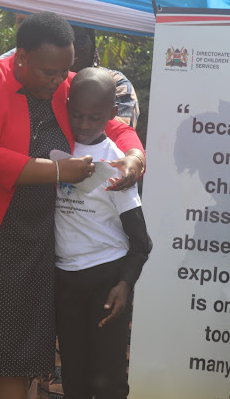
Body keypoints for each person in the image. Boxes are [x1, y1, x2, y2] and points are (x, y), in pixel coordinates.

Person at [0, 12, 146, 399]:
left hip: (33, 241)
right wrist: (57, 171)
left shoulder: (60, 79)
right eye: (50, 73)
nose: (59, 82)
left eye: (64, 72)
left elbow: (113, 123)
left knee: (16, 358)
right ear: (21, 57)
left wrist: (135, 155)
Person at [53, 68, 152, 399]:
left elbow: (141, 242)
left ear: (112, 114)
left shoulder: (116, 162)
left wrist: (124, 285)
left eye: (94, 117)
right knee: (74, 377)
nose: (83, 124)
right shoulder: (56, 147)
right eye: (77, 114)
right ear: (66, 106)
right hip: (65, 278)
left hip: (106, 281)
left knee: (108, 377)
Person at [71, 25, 139, 128]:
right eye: (64, 41)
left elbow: (120, 131)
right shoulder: (47, 83)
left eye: (80, 40)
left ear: (93, 44)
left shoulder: (117, 82)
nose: (72, 47)